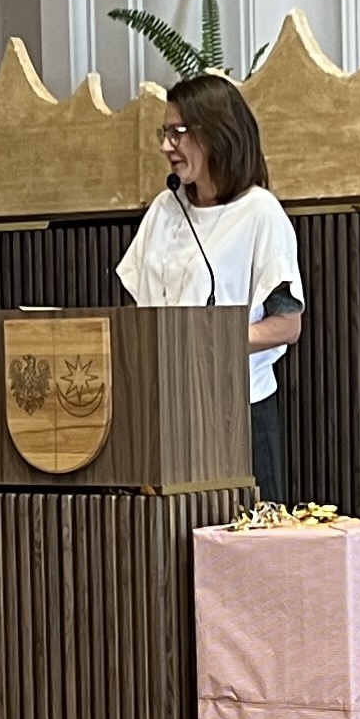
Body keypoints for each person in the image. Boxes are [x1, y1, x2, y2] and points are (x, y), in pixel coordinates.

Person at [116, 73, 304, 503]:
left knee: (246, 539)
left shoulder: (260, 213)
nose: (166, 146)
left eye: (177, 132)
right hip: (166, 410)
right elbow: (140, 308)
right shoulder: (165, 209)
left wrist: (205, 342)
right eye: (164, 133)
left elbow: (287, 326)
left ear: (215, 133)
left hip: (236, 412)